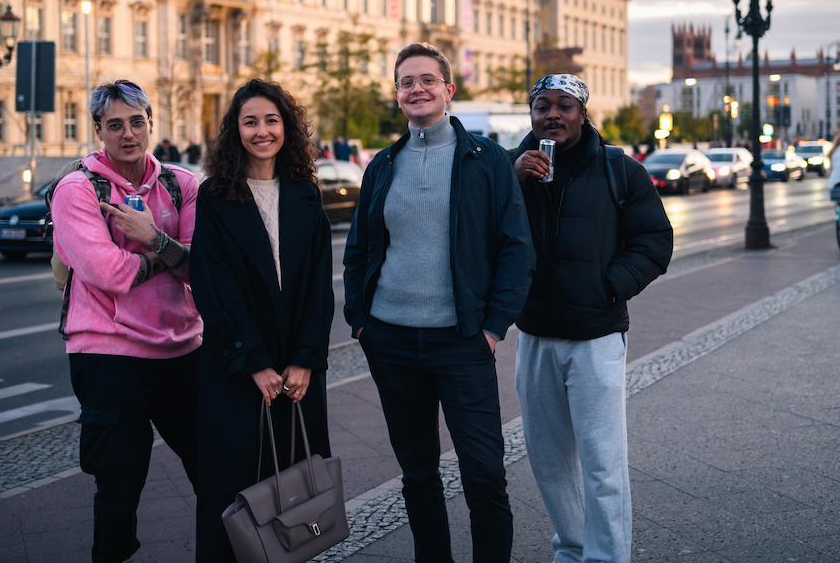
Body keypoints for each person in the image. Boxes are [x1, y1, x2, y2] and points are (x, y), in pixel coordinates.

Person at [344, 42, 534, 563]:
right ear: (397, 95)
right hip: (391, 340)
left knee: (484, 474)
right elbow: (359, 250)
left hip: (463, 340)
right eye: (406, 82)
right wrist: (360, 321)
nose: (417, 89)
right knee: (418, 474)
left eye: (427, 79)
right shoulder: (383, 164)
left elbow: (517, 249)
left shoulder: (487, 160)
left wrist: (493, 327)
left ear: (449, 90)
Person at [510, 74, 672, 563]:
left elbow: (654, 241)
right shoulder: (508, 168)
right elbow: (475, 229)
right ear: (532, 113)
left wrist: (607, 288)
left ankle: (606, 557)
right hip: (535, 334)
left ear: (583, 113)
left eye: (564, 105)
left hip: (595, 335)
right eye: (542, 105)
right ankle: (573, 548)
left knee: (603, 462)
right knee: (548, 460)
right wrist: (511, 179)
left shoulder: (619, 169)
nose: (552, 115)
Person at [50, 80, 200, 563]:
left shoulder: (183, 184)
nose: (128, 134)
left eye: (137, 122)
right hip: (106, 354)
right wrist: (169, 253)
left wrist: (152, 239)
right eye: (115, 125)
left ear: (151, 123)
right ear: (99, 130)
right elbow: (110, 274)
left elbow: (202, 270)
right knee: (119, 486)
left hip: (181, 350)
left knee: (217, 468)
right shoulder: (77, 189)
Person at [190, 79, 335, 563]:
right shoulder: (215, 197)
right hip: (238, 369)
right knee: (232, 495)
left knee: (295, 492)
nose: (262, 131)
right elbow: (215, 287)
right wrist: (254, 360)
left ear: (286, 127)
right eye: (250, 121)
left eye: (271, 120)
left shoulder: (305, 193)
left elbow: (318, 287)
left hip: (295, 371)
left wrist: (305, 359)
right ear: (235, 130)